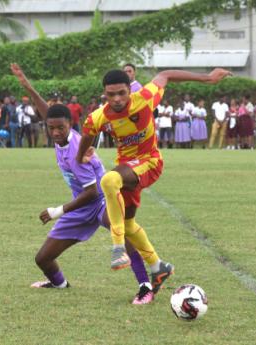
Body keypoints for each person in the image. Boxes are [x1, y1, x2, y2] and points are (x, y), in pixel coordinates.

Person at [76, 67, 232, 291]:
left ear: (130, 89)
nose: (117, 99)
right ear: (104, 94)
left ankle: (118, 247)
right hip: (128, 169)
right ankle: (158, 266)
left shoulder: (145, 98)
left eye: (121, 93)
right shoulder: (98, 117)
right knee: (128, 223)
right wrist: (82, 154)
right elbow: (88, 134)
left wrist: (207, 78)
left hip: (149, 162)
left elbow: (165, 75)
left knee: (109, 180)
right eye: (111, 95)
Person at [10, 63, 154, 304]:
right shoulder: (59, 131)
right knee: (43, 259)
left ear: (70, 125)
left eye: (60, 128)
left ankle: (145, 286)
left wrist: (57, 211)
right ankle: (59, 283)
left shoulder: (77, 149)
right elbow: (48, 112)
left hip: (99, 201)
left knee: (122, 232)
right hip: (80, 207)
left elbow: (91, 193)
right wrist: (27, 86)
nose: (55, 132)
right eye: (51, 128)